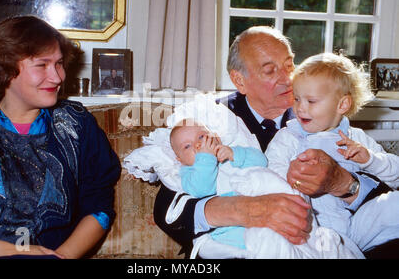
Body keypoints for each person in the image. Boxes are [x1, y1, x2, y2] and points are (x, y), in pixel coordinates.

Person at [153, 26, 396, 258]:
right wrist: (246, 209)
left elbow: (385, 191)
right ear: (239, 80)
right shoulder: (212, 119)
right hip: (246, 246)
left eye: (290, 65)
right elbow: (166, 210)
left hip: (336, 235)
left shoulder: (320, 111)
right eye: (270, 71)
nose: (288, 79)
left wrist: (345, 184)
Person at [0, 16, 121, 258]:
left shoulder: (77, 123)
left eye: (59, 63)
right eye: (42, 65)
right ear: (5, 69)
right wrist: (9, 252)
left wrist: (60, 257)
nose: (57, 77)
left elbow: (99, 207)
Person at [266, 52, 399, 255]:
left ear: (342, 105)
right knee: (329, 245)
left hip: (356, 225)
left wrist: (370, 160)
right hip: (314, 230)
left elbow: (395, 176)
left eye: (311, 101)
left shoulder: (356, 137)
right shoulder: (289, 137)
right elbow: (270, 175)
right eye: (297, 98)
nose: (300, 108)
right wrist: (292, 176)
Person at [168, 117, 358, 258]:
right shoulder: (189, 173)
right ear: (179, 159)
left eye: (202, 136)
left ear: (215, 136)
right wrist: (205, 158)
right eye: (187, 147)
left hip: (279, 204)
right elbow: (201, 190)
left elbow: (261, 161)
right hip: (237, 230)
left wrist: (236, 154)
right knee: (272, 244)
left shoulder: (230, 151)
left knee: (323, 246)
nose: (199, 145)